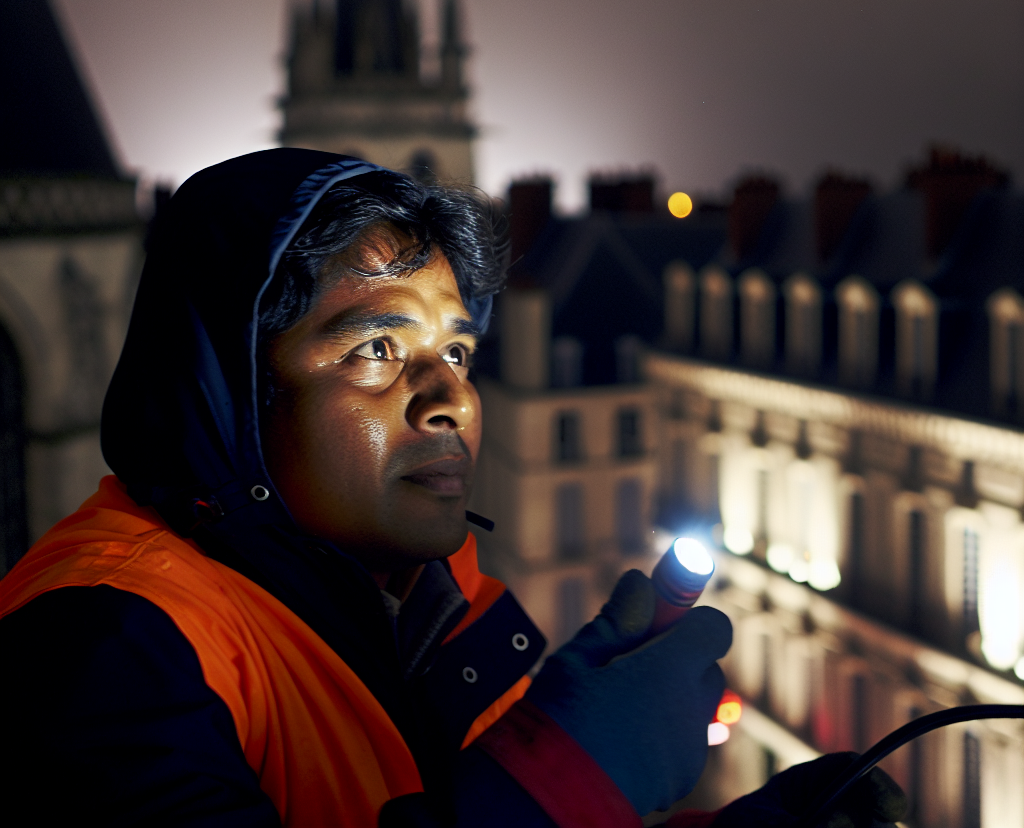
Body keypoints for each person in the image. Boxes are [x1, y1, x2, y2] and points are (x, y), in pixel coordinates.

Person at [0, 151, 905, 827]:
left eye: (458, 352)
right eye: (377, 350)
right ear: (232, 392)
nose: (452, 400)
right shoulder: (106, 641)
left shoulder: (429, 601)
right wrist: (564, 778)